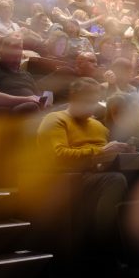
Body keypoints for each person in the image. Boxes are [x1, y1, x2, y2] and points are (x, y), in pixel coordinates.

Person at [36, 78, 130, 256]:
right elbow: (58, 156)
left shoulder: (98, 126)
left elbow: (107, 155)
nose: (93, 106)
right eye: (88, 100)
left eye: (95, 100)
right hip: (67, 178)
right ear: (74, 97)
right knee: (115, 180)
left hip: (98, 173)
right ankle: (105, 247)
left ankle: (137, 246)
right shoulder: (55, 119)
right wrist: (100, 152)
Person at [0, 36, 43, 114]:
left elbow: (39, 97)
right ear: (1, 54)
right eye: (12, 55)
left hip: (34, 111)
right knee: (31, 106)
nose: (16, 59)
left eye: (18, 55)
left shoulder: (26, 74)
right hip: (7, 113)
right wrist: (26, 99)